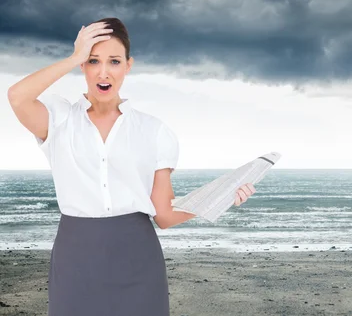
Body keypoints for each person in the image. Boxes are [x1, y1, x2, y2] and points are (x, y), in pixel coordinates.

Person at [6, 17, 257, 316]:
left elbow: (163, 214)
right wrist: (73, 56)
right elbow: (16, 96)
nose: (103, 72)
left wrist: (222, 197)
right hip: (75, 260)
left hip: (138, 260)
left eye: (114, 61)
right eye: (93, 60)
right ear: (83, 66)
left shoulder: (154, 131)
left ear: (128, 65)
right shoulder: (58, 119)